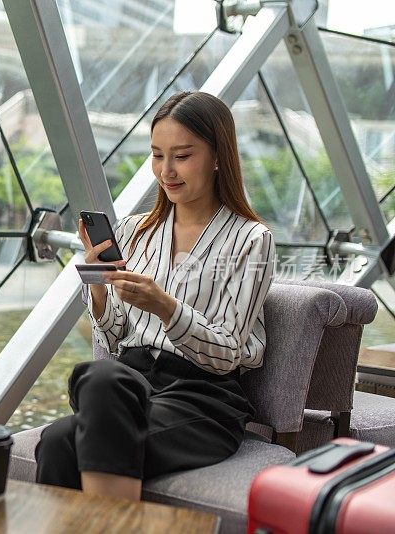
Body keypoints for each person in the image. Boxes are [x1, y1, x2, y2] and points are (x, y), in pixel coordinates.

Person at [34, 91, 276, 500]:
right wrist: (97, 283)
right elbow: (112, 339)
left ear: (218, 156)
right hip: (131, 384)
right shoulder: (133, 231)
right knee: (100, 378)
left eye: (182, 156)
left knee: (62, 437)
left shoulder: (251, 240)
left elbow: (227, 354)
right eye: (157, 155)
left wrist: (165, 306)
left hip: (202, 400)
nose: (166, 171)